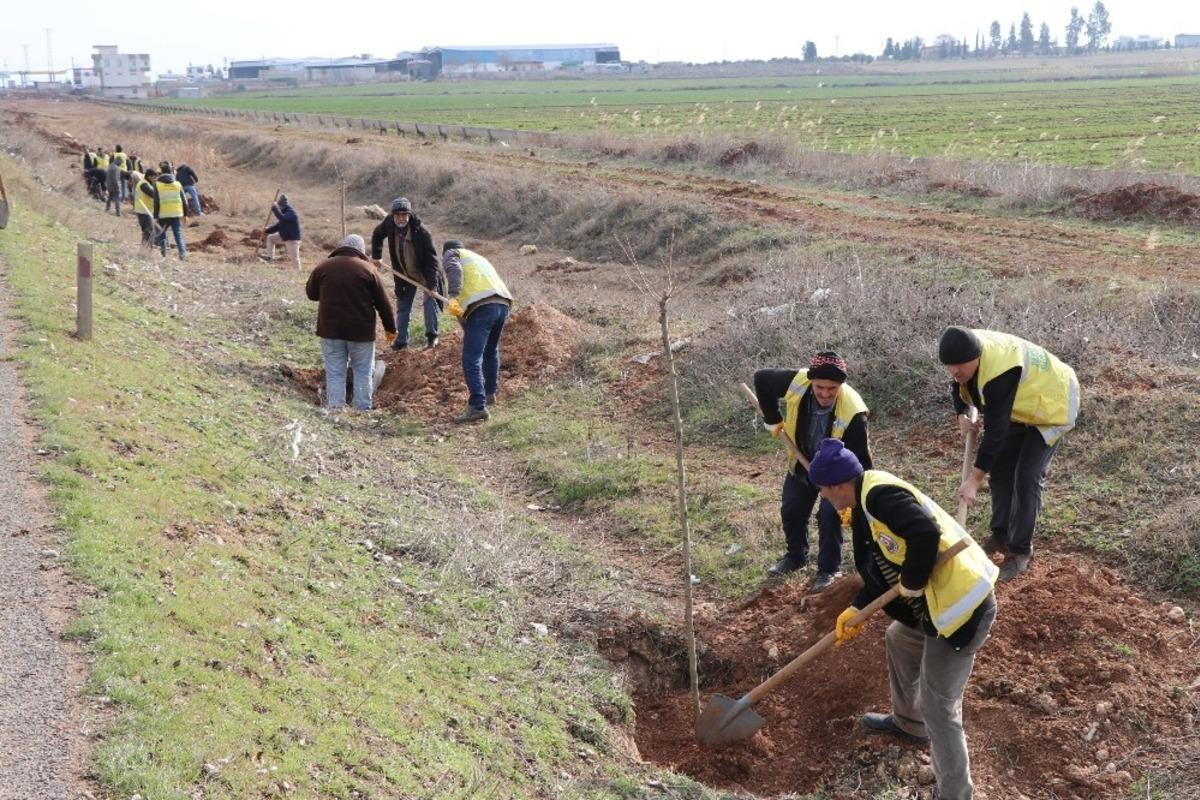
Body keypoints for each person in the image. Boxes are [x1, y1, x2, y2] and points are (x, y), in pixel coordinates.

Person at [810, 438, 998, 800]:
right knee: (898, 637)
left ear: (836, 485)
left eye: (822, 490)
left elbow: (924, 533)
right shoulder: (865, 501)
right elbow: (881, 569)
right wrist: (858, 605)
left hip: (961, 609)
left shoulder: (879, 497)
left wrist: (913, 579)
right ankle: (908, 724)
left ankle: (956, 794)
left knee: (939, 706)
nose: (824, 497)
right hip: (934, 606)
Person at [937, 326, 1079, 581]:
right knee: (1001, 470)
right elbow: (958, 382)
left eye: (960, 365)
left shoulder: (1000, 373)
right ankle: (1000, 535)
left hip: (1052, 403)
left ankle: (1019, 552)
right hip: (1022, 404)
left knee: (1026, 476)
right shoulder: (965, 352)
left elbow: (996, 432)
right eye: (950, 365)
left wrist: (974, 480)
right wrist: (961, 413)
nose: (955, 370)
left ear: (976, 356)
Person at [753, 352, 872, 591]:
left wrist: (854, 499)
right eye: (820, 387)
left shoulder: (854, 412)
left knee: (829, 516)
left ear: (841, 385)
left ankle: (828, 570)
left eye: (832, 388)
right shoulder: (797, 381)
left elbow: (862, 462)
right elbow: (761, 379)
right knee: (792, 509)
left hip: (836, 477)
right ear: (811, 381)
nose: (825, 393)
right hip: (802, 461)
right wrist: (773, 418)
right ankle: (796, 556)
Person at [305, 234, 397, 412]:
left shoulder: (323, 266)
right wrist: (390, 329)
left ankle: (336, 408)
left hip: (330, 330)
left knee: (335, 371)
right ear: (361, 251)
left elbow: (311, 294)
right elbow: (384, 304)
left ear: (342, 247)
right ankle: (362, 409)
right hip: (360, 332)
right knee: (363, 371)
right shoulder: (368, 269)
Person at [442, 240, 513, 423]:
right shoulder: (478, 258)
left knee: (471, 358)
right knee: (490, 351)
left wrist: (453, 296)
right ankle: (489, 394)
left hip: (483, 308)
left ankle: (477, 407)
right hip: (502, 304)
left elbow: (454, 270)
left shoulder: (452, 254)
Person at [370, 197, 442, 350]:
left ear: (409, 215)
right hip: (403, 273)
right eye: (398, 215)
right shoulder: (388, 223)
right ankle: (401, 341)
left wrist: (432, 286)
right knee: (403, 305)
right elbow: (377, 234)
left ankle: (432, 337)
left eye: (405, 215)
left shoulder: (421, 231)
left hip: (424, 272)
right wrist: (377, 256)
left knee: (430, 302)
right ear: (393, 215)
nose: (401, 218)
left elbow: (432, 260)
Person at [153, 164, 188, 260]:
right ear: (171, 172)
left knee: (162, 234)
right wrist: (185, 215)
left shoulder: (157, 185)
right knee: (178, 234)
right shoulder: (177, 184)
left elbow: (156, 202)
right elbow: (185, 201)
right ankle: (182, 255)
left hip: (163, 214)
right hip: (176, 213)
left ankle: (165, 254)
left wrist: (155, 216)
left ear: (162, 173)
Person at [263, 194, 302, 270]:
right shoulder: (284, 212)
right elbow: (278, 226)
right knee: (271, 238)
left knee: (295, 259)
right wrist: (267, 230)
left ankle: (297, 273)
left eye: (280, 207)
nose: (279, 208)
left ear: (283, 205)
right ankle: (270, 257)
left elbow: (282, 219)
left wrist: (274, 208)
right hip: (284, 236)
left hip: (292, 239)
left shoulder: (291, 213)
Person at [132, 168, 158, 247]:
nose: (155, 179)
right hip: (143, 211)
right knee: (149, 231)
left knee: (146, 231)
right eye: (154, 177)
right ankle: (147, 250)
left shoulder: (146, 183)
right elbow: (152, 194)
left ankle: (144, 249)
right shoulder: (144, 184)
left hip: (146, 211)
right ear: (149, 177)